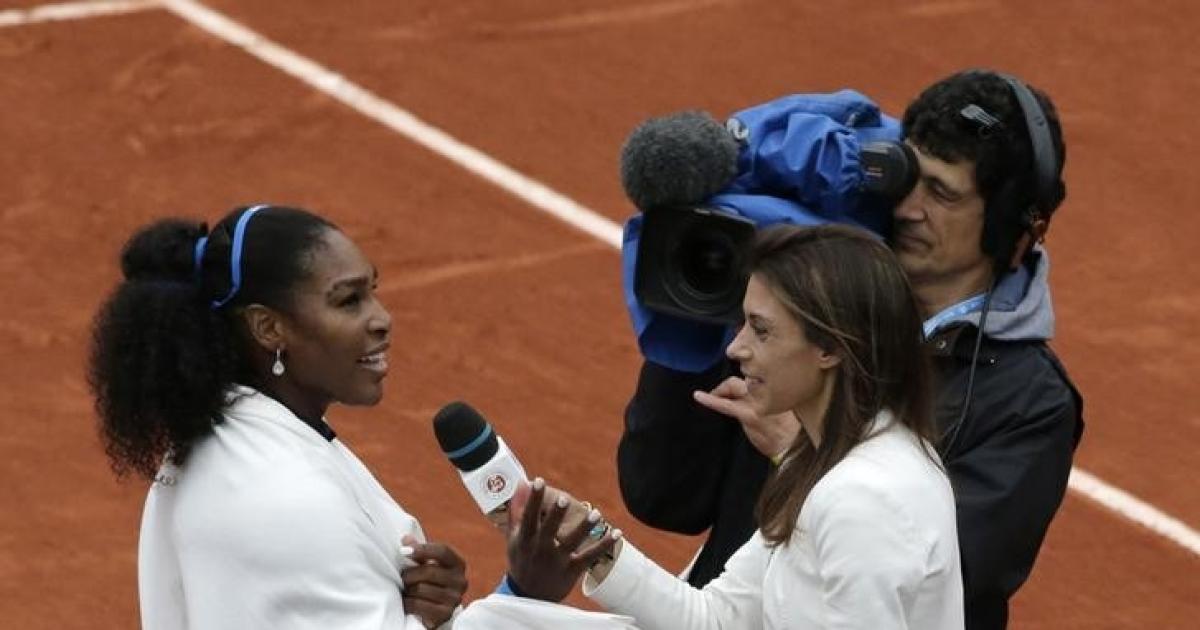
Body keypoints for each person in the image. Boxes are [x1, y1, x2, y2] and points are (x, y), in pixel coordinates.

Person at [618, 69, 1084, 629]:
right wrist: (690, 322)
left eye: (942, 194)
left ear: (1011, 230)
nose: (907, 208)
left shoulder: (1031, 403)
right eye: (909, 177)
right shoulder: (808, 306)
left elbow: (942, 584)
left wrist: (799, 457)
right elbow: (663, 494)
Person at [507, 224, 963, 629]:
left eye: (761, 331)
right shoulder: (824, 460)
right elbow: (716, 619)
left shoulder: (860, 498)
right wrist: (592, 541)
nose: (736, 348)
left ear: (829, 348)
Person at [88, 204, 467, 630]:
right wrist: (519, 589)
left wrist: (430, 614)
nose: (381, 319)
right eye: (349, 301)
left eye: (372, 291)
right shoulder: (287, 494)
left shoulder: (243, 440)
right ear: (268, 328)